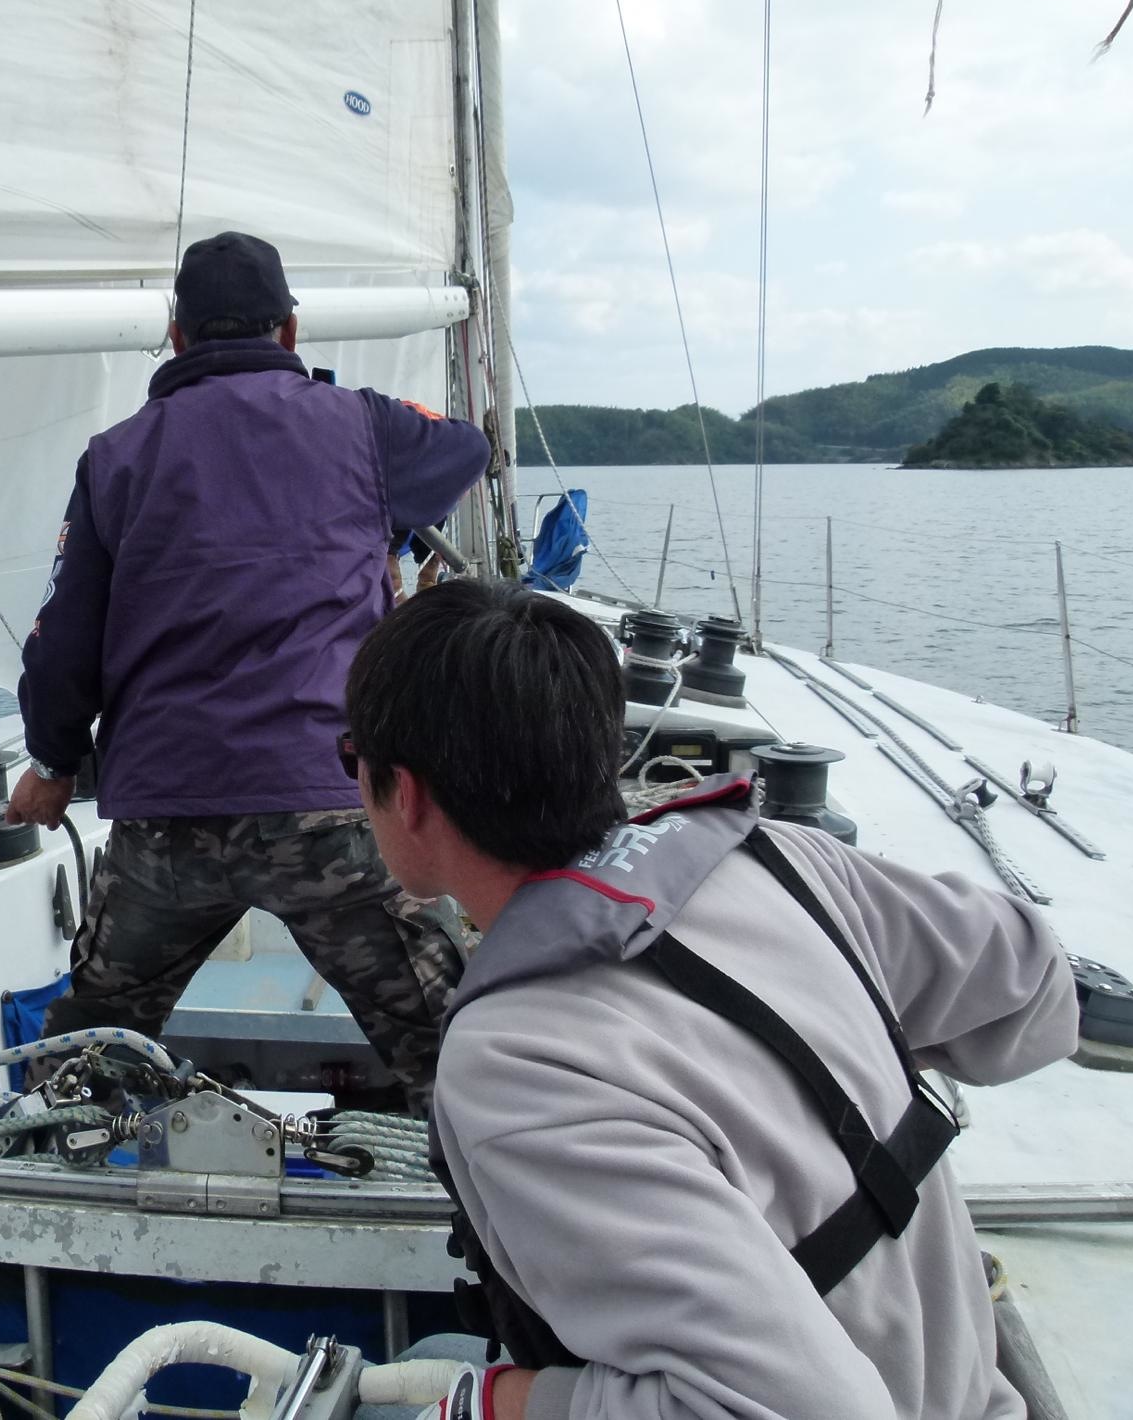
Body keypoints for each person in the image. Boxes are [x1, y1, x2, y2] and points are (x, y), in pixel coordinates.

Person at [342, 578, 1079, 1419]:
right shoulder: (787, 862)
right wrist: (835, 1030)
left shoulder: (514, 1062)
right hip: (971, 1393)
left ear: (407, 794)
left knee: (409, 1382)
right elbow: (1035, 987)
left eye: (350, 759)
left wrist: (505, 1400)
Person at [5, 229, 491, 1111]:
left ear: (176, 336)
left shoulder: (115, 457)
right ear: (290, 331)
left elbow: (62, 639)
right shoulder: (362, 426)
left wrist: (53, 763)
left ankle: (54, 1154)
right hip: (331, 809)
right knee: (450, 1045)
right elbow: (464, 447)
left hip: (166, 823)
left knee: (94, 1042)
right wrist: (379, 511)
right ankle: (489, 1172)